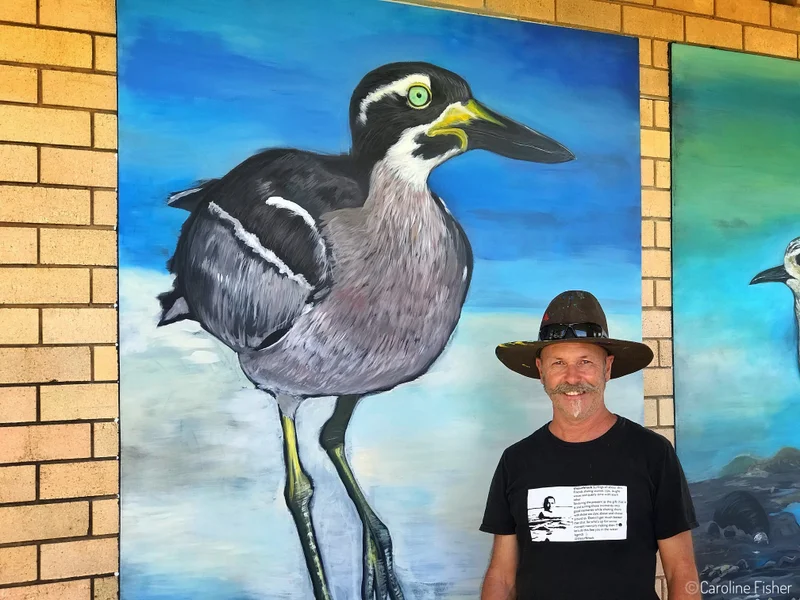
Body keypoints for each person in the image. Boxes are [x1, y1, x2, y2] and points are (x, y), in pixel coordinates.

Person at [479, 290, 700, 600]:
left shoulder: (653, 454)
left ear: (607, 368)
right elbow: (501, 577)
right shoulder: (516, 461)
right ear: (541, 371)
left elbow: (682, 571)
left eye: (585, 362)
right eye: (558, 363)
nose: (572, 378)